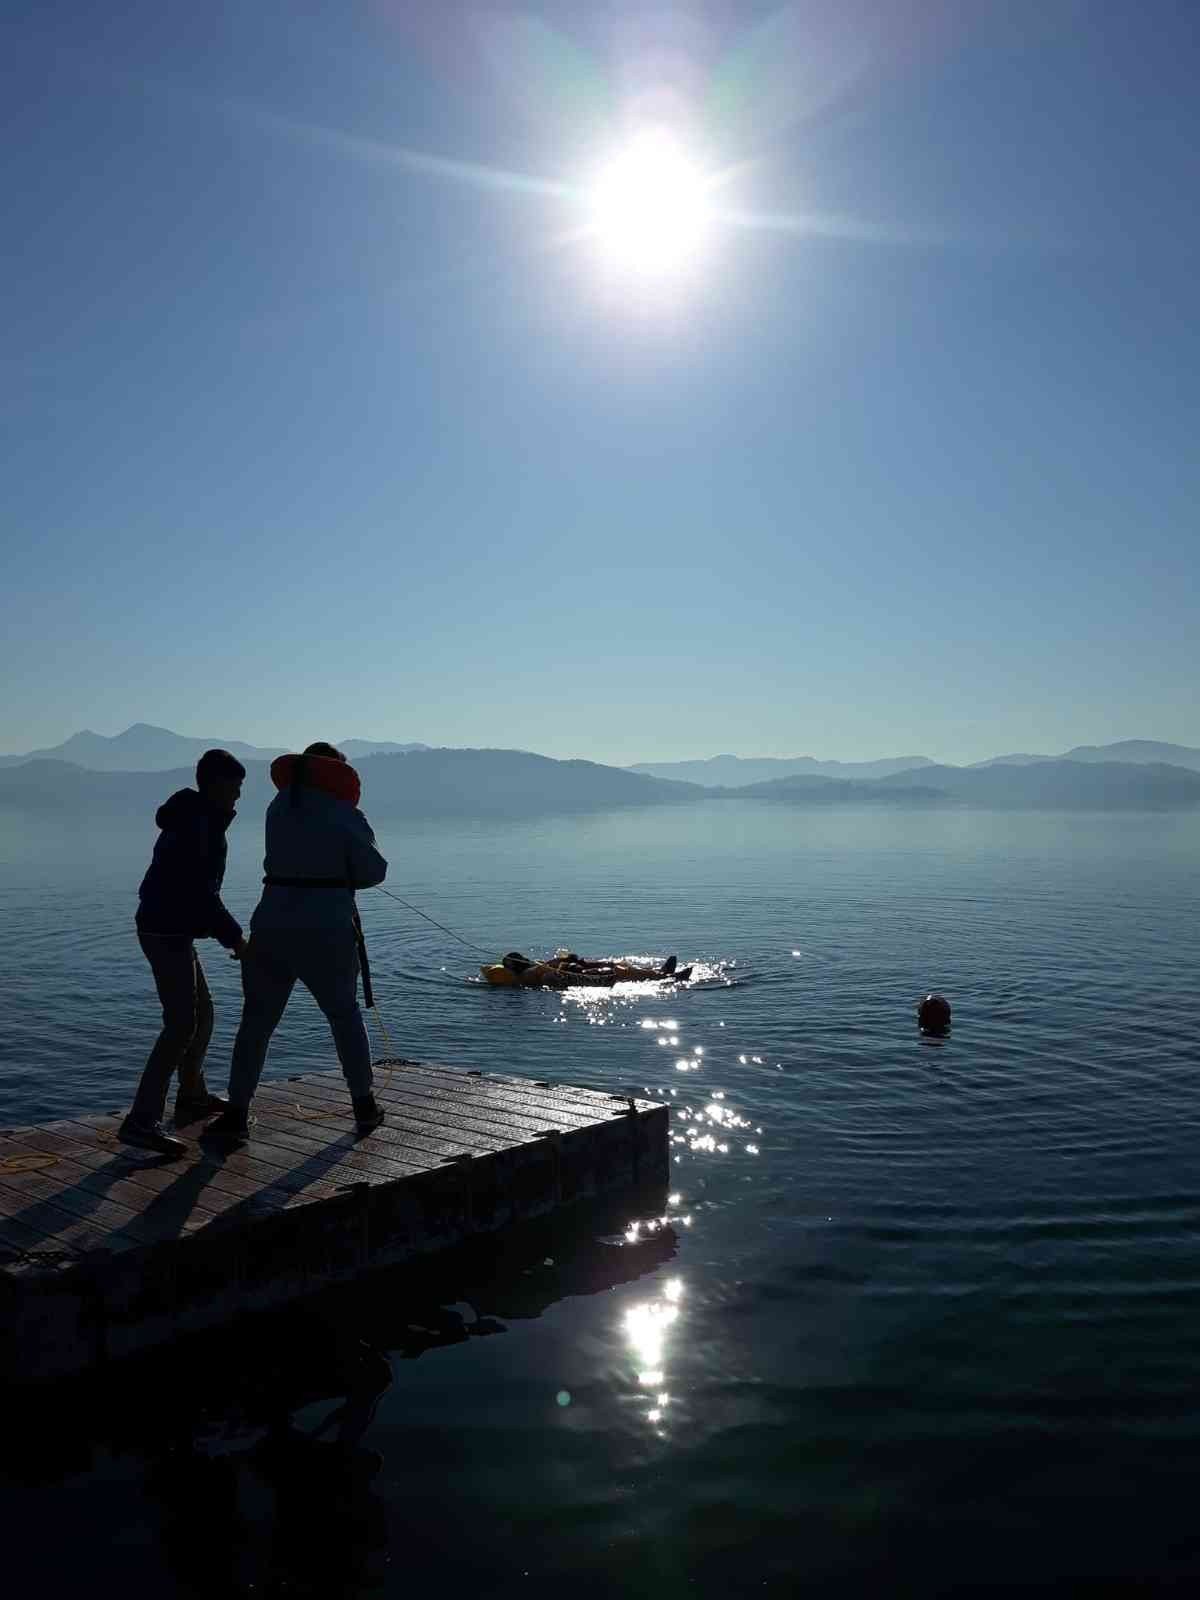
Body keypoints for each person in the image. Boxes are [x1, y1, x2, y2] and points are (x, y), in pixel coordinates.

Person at [205, 743, 388, 1142]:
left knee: (256, 1021)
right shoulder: (343, 812)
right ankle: (364, 1105)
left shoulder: (277, 808)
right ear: (336, 772)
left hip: (271, 922)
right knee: (343, 1015)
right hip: (326, 927)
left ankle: (236, 1113)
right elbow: (374, 871)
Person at [118, 748, 249, 1156]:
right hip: (164, 930)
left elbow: (198, 894)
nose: (238, 796)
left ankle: (192, 1095)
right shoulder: (200, 824)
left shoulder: (197, 817)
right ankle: (141, 1121)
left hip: (169, 927)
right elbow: (201, 894)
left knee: (202, 1013)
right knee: (180, 1024)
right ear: (213, 784)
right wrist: (237, 940)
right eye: (234, 787)